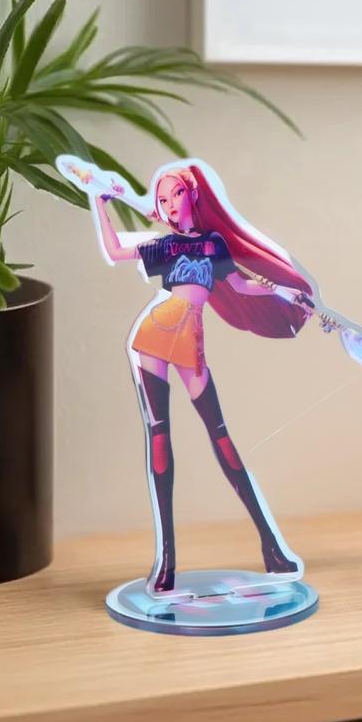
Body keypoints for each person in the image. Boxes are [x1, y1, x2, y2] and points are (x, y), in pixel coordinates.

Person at [93, 163, 314, 596]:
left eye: (175, 194)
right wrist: (99, 203)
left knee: (221, 436)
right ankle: (167, 562)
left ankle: (271, 548)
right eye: (162, 200)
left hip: (191, 340)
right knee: (160, 435)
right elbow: (116, 250)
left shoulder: (214, 244)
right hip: (156, 332)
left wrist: (287, 291)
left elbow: (242, 287)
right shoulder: (166, 246)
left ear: (192, 193)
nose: (169, 204)